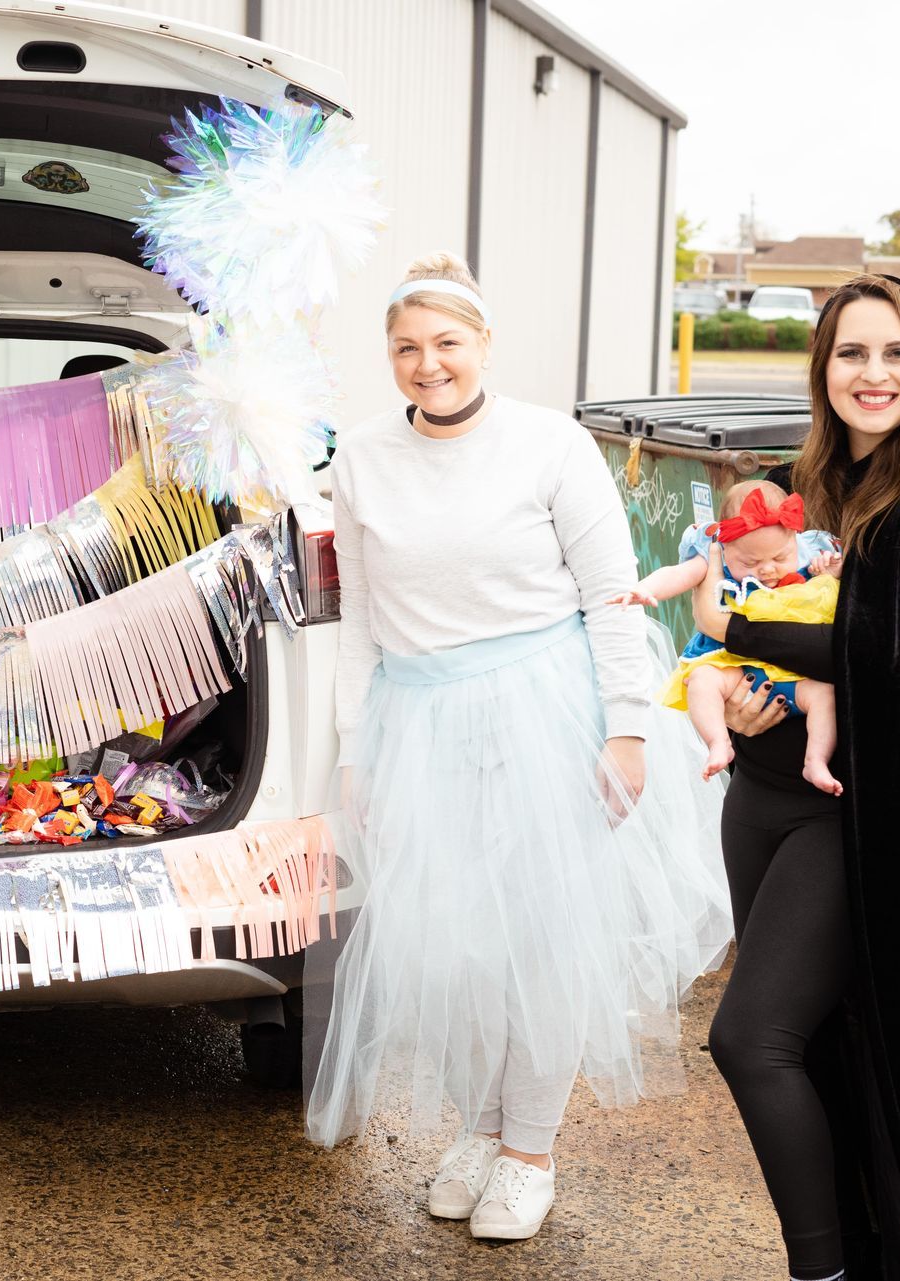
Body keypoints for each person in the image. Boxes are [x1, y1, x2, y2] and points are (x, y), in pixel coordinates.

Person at [305, 253, 734, 1243]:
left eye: (448, 343)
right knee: (456, 948)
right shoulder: (362, 457)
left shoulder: (551, 445)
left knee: (536, 941)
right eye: (407, 347)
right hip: (415, 721)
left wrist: (627, 730)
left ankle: (530, 1151)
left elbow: (610, 594)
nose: (428, 364)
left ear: (484, 344)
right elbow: (364, 615)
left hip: (541, 711)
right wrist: (356, 746)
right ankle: (484, 1127)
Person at [699, 274, 900, 1281]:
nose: (872, 373)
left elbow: (896, 669)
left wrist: (733, 628)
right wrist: (751, 705)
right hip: (763, 801)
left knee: (751, 1040)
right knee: (821, 1054)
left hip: (862, 826)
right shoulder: (825, 494)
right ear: (823, 370)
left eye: (895, 353)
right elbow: (809, 655)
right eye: (851, 353)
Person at [611, 478, 846, 793]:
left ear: (794, 538)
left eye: (779, 558)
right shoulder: (713, 551)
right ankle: (718, 741)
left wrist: (829, 568)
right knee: (701, 680)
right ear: (726, 544)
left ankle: (815, 760)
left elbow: (845, 576)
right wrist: (644, 589)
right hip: (734, 665)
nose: (767, 570)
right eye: (750, 562)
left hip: (793, 668)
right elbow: (679, 574)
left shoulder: (811, 550)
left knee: (825, 696)